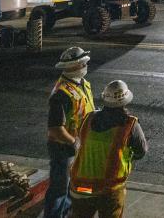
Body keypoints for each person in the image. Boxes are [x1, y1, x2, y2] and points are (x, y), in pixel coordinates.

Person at [69, 80, 148, 218]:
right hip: (108, 190)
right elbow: (141, 151)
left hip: (82, 187)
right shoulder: (130, 125)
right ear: (125, 101)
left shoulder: (89, 118)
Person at [45, 47, 95, 218]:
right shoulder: (61, 94)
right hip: (63, 149)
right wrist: (73, 142)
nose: (86, 66)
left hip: (77, 145)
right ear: (75, 66)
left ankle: (65, 214)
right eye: (83, 64)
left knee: (71, 186)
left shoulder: (82, 83)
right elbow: (55, 129)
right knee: (60, 189)